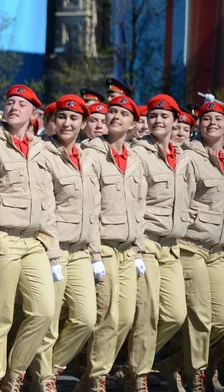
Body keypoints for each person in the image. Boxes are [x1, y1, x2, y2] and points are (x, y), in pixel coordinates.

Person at [0, 84, 59, 391]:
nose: (13, 107)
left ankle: (16, 374)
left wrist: (52, 247)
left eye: (21, 105)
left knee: (43, 312)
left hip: (35, 242)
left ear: (35, 114)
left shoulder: (41, 148)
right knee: (0, 319)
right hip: (2, 238)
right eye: (10, 102)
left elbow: (47, 202)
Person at [29, 95, 100, 391]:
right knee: (49, 322)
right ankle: (42, 379)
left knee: (85, 319)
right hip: (53, 251)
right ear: (53, 121)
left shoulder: (90, 157)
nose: (67, 123)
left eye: (74, 119)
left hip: (82, 251)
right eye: (62, 117)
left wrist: (95, 254)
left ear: (83, 124)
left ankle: (52, 368)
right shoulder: (44, 154)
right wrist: (53, 252)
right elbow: (44, 209)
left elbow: (93, 209)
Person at [77, 96, 146, 392]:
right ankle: (96, 379)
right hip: (103, 246)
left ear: (133, 122)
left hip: (129, 249)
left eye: (123, 113)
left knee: (127, 318)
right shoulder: (92, 153)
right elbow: (88, 206)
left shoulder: (135, 157)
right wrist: (93, 251)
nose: (115, 117)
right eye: (112, 112)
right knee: (108, 317)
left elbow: (140, 205)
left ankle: (92, 375)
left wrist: (140, 246)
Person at [158, 101, 224, 392]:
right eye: (206, 118)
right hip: (192, 245)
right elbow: (177, 200)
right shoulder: (189, 156)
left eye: (218, 119)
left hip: (218, 251)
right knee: (200, 317)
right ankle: (195, 375)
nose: (212, 123)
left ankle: (175, 363)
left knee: (220, 321)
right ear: (199, 125)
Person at [127, 94, 189, 390]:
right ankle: (137, 376)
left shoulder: (184, 155)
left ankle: (134, 362)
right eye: (153, 116)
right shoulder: (139, 153)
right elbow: (134, 202)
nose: (158, 120)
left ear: (176, 121)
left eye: (165, 116)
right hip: (148, 243)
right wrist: (137, 246)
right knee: (148, 313)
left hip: (172, 245)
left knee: (176, 314)